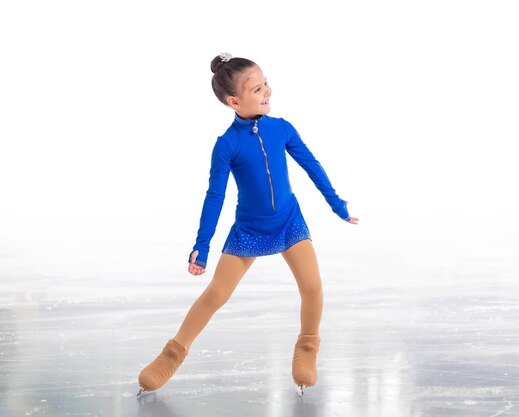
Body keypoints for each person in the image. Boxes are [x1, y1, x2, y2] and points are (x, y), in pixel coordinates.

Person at [137, 52, 358, 397]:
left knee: (313, 287)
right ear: (234, 101)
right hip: (249, 231)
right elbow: (215, 196)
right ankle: (173, 353)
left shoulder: (282, 128)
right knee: (216, 293)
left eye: (266, 83)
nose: (267, 91)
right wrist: (202, 245)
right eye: (257, 89)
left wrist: (336, 204)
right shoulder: (227, 145)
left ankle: (307, 348)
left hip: (288, 222)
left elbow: (311, 165)